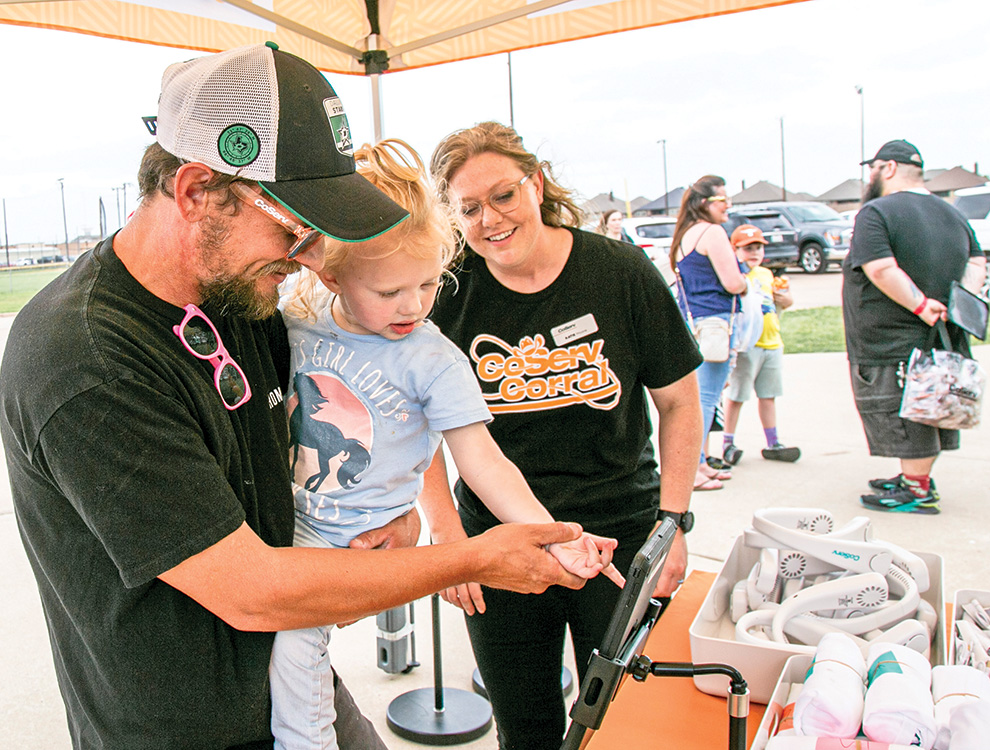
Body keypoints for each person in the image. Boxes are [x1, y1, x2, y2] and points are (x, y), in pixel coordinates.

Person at [0, 45, 596, 750]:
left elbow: (372, 408)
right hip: (185, 729)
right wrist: (469, 557)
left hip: (291, 673)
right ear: (194, 192)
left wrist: (400, 514)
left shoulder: (239, 295)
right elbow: (250, 588)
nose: (312, 256)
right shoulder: (87, 361)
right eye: (292, 227)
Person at [272, 138, 621, 749]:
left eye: (429, 285)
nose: (413, 306)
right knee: (278, 664)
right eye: (390, 293)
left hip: (353, 541)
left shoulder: (434, 359)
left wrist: (552, 533)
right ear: (330, 273)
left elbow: (483, 460)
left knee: (296, 671)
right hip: (287, 522)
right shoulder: (298, 315)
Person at [422, 121, 703, 750]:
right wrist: (448, 538)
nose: (490, 219)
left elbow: (680, 403)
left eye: (503, 195)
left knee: (622, 722)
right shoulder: (446, 290)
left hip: (621, 534)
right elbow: (416, 428)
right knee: (526, 727)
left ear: (537, 184)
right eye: (469, 208)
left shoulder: (619, 272)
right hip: (499, 541)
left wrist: (673, 523)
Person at [843, 139, 985, 515]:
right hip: (943, 335)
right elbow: (977, 261)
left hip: (894, 337)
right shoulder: (952, 213)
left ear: (888, 168)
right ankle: (912, 476)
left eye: (872, 168)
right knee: (928, 404)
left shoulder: (876, 212)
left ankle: (916, 489)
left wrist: (921, 305)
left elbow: (880, 268)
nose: (870, 176)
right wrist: (958, 305)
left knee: (906, 409)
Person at [670, 175, 749, 491]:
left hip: (695, 322)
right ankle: (694, 468)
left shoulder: (686, 234)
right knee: (705, 398)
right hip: (716, 323)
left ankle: (701, 463)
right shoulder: (713, 233)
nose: (727, 205)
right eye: (722, 200)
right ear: (705, 203)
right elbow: (733, 283)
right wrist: (746, 280)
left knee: (702, 395)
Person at [721, 224, 800, 464]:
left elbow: (782, 304)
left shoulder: (767, 275)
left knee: (768, 394)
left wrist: (786, 300)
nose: (754, 253)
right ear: (735, 250)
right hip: (747, 345)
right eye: (747, 249)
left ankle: (773, 441)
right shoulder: (735, 276)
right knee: (737, 395)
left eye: (758, 248)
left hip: (772, 342)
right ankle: (728, 441)